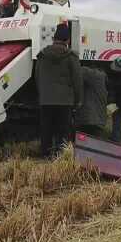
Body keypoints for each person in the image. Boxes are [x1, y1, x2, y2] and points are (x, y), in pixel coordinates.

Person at [35, 22, 83, 158]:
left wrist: (42, 94)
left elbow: (37, 77)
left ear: (54, 38)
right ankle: (60, 156)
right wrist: (78, 100)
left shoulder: (42, 55)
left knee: (46, 129)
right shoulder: (71, 57)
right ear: (67, 40)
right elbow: (77, 81)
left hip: (46, 99)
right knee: (63, 130)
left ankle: (45, 154)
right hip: (65, 100)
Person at [75, 66, 107, 136]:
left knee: (81, 143)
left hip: (87, 119)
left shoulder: (91, 75)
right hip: (99, 121)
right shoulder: (103, 81)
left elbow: (78, 71)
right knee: (95, 144)